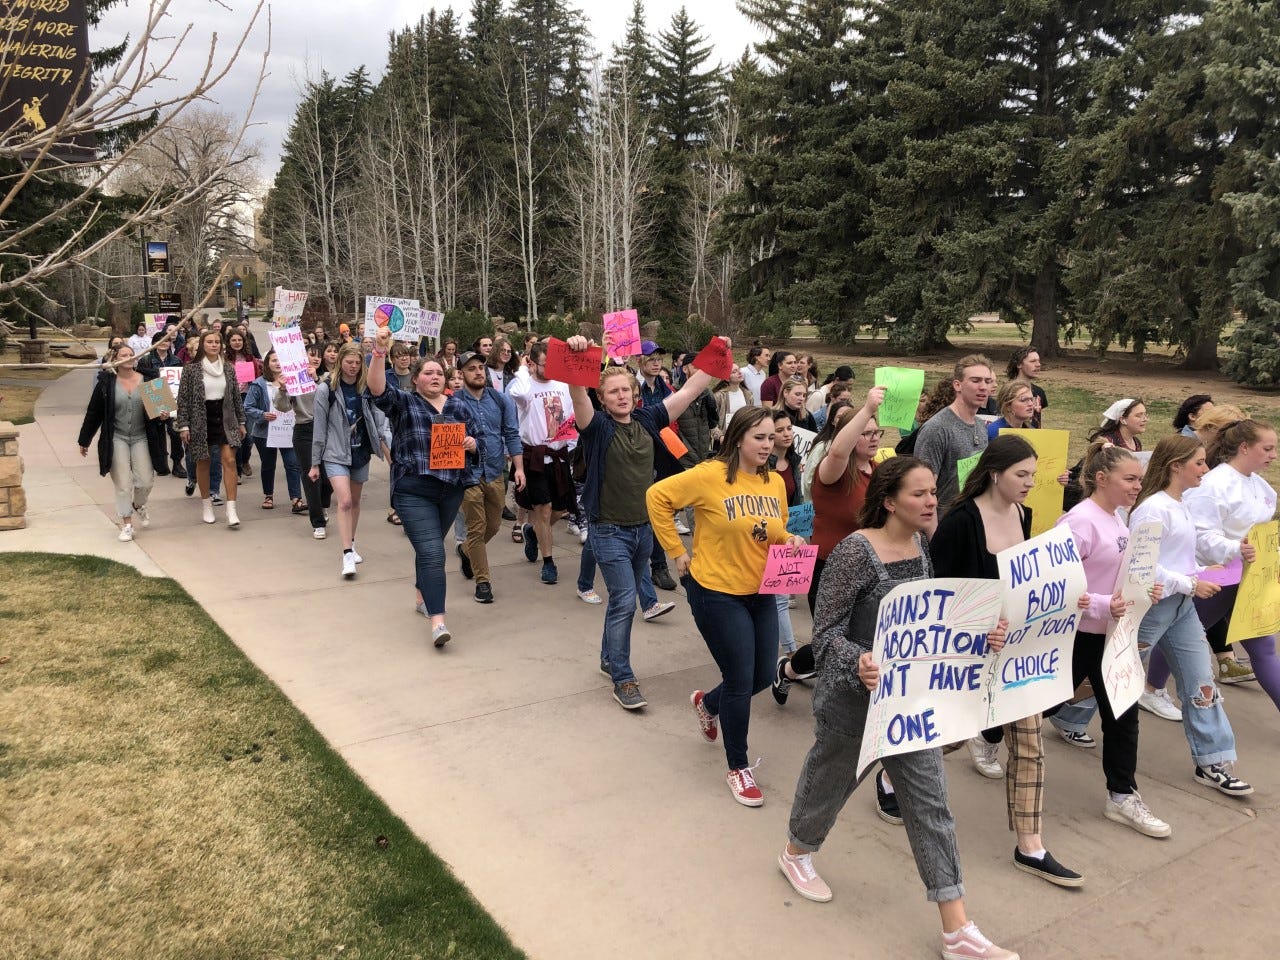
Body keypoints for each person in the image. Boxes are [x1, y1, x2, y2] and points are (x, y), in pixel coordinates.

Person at [777, 457, 1020, 960]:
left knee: (931, 804)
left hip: (908, 707)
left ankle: (957, 930)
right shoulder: (854, 553)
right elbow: (824, 638)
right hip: (852, 703)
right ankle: (797, 852)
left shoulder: (922, 546)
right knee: (831, 780)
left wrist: (983, 636)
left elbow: (932, 624)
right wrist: (859, 662)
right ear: (889, 501)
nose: (932, 501)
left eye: (933, 492)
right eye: (919, 494)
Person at [929, 435, 1084, 886]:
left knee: (1031, 746)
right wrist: (981, 628)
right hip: (971, 652)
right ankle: (896, 775)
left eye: (1033, 475)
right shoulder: (960, 522)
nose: (1031, 484)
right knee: (953, 734)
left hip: (1017, 653)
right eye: (1022, 475)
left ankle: (1030, 846)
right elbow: (939, 593)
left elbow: (1026, 579)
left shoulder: (1024, 514)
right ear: (995, 474)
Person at [649, 406, 805, 804]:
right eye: (759, 438)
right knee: (740, 678)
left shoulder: (772, 482)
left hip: (762, 590)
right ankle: (738, 768)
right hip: (716, 591)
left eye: (771, 438)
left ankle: (707, 703)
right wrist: (675, 550)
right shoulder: (710, 475)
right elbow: (657, 497)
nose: (767, 445)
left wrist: (789, 540)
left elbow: (774, 529)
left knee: (757, 678)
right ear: (737, 438)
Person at [566, 335, 722, 708]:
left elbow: (690, 390)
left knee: (621, 601)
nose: (620, 396)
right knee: (623, 600)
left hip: (644, 528)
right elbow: (577, 397)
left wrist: (717, 352)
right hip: (608, 530)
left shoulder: (648, 418)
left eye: (626, 390)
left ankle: (608, 658)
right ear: (603, 398)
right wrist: (576, 358)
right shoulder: (598, 427)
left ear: (636, 395)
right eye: (613, 392)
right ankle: (623, 677)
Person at [1125, 435, 1254, 796]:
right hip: (1152, 608)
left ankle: (1212, 760)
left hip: (1180, 608)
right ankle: (1067, 712)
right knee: (1118, 670)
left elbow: (1190, 547)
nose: (1206, 469)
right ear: (1175, 467)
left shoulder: (1179, 503)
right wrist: (1190, 584)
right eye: (1199, 462)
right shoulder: (1152, 509)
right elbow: (1142, 566)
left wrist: (1234, 551)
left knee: (1202, 683)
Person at [1056, 442, 1172, 838]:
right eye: (1130, 479)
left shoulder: (1119, 518)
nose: (1138, 486)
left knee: (1123, 714)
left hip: (1112, 638)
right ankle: (980, 736)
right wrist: (1107, 604)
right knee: (1038, 702)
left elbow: (1120, 573)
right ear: (1101, 479)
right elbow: (1060, 588)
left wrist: (1144, 590)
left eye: (1140, 479)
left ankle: (1122, 796)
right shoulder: (1078, 522)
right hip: (1076, 638)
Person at [1154, 419, 1280, 706]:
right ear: (1245, 447)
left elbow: (1262, 534)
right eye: (1268, 448)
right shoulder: (1213, 485)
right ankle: (1152, 689)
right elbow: (1199, 535)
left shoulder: (1260, 485)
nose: (1274, 455)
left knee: (1263, 648)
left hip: (1248, 579)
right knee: (1183, 635)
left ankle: (1151, 687)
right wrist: (1236, 549)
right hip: (1214, 577)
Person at [366, 326, 477, 647]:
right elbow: (377, 391)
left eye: (440, 373)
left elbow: (480, 440)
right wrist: (378, 352)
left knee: (427, 547)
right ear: (415, 379)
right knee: (432, 551)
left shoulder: (459, 406)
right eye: (428, 372)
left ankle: (420, 593)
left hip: (450, 489)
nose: (435, 377)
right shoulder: (405, 402)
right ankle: (438, 621)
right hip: (413, 490)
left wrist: (471, 443)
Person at [775, 389, 886, 705]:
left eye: (876, 432)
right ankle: (790, 671)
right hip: (830, 567)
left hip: (868, 569)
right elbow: (838, 453)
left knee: (862, 637)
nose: (873, 438)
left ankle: (831, 685)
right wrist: (866, 409)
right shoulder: (832, 469)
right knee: (833, 641)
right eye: (865, 433)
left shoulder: (877, 472)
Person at [312, 341, 391, 578]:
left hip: (360, 452)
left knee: (355, 502)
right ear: (340, 361)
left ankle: (352, 542)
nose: (353, 367)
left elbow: (379, 419)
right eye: (349, 362)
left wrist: (387, 450)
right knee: (344, 501)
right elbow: (319, 426)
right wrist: (315, 462)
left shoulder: (366, 388)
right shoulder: (326, 389)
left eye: (357, 363)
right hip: (335, 452)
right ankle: (347, 554)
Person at [77, 344, 170, 542]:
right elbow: (94, 413)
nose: (128, 358)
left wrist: (163, 415)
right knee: (122, 483)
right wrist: (85, 439)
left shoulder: (150, 380)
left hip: (142, 436)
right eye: (124, 355)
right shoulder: (106, 384)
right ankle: (127, 524)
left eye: (131, 354)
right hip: (116, 437)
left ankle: (139, 503)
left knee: (145, 480)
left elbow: (162, 412)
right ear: (115, 359)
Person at [453, 350, 524, 604]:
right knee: (477, 527)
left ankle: (465, 551)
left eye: (480, 368)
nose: (478, 372)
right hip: (467, 475)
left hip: (495, 471)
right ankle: (483, 583)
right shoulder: (453, 403)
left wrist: (519, 468)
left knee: (493, 526)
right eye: (471, 369)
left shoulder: (501, 400)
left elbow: (512, 434)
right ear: (462, 373)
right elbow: (446, 442)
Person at [509, 341, 578, 585]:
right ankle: (548, 562)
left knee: (562, 509)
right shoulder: (524, 388)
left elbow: (570, 417)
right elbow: (516, 393)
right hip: (536, 456)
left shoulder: (562, 386)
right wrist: (522, 370)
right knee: (544, 508)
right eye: (544, 364)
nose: (549, 369)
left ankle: (533, 531)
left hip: (559, 455)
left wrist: (572, 449)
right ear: (533, 363)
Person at [176, 328, 246, 528]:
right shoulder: (191, 369)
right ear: (202, 346)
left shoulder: (229, 368)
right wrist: (183, 425)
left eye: (217, 342)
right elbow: (183, 400)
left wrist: (241, 422)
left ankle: (231, 509)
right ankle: (206, 505)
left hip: (225, 417)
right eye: (210, 342)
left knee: (229, 460)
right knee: (203, 462)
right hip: (201, 419)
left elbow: (235, 398)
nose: (214, 345)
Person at [912, 355, 994, 513]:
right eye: (976, 381)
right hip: (944, 523)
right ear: (957, 385)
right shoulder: (937, 428)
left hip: (972, 518)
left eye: (988, 381)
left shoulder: (980, 425)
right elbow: (922, 490)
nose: (983, 387)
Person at [243, 350, 304, 512]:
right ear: (267, 364)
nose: (277, 363)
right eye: (274, 360)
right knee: (268, 465)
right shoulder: (259, 384)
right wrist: (262, 415)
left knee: (292, 464)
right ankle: (268, 495)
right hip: (265, 433)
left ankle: (296, 499)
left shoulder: (293, 381)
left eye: (280, 360)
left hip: (288, 431)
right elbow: (247, 407)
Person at [287, 343, 333, 538]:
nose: (315, 359)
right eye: (311, 355)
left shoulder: (326, 379)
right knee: (311, 476)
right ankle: (318, 522)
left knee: (328, 477)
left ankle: (322, 505)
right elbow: (281, 406)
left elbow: (327, 401)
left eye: (318, 356)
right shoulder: (293, 380)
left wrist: (315, 380)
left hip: (327, 430)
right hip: (304, 430)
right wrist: (282, 389)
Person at [137, 329, 186, 478]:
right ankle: (160, 465)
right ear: (154, 343)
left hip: (173, 399)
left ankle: (177, 463)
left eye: (167, 340)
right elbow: (142, 379)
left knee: (175, 432)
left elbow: (180, 382)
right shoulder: (145, 360)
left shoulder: (176, 361)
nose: (164, 343)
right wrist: (158, 375)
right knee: (156, 434)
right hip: (154, 399)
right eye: (160, 340)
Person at [1005, 348, 1048, 428]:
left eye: (1038, 361)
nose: (1038, 364)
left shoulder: (1039, 392)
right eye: (1032, 361)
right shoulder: (1009, 391)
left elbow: (1037, 421)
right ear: (1019, 364)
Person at [712, 367, 755, 444]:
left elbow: (751, 418)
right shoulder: (719, 396)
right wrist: (720, 436)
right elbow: (711, 421)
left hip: (744, 439)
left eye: (739, 370)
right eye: (734, 372)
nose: (739, 373)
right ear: (727, 379)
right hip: (725, 441)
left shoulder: (748, 395)